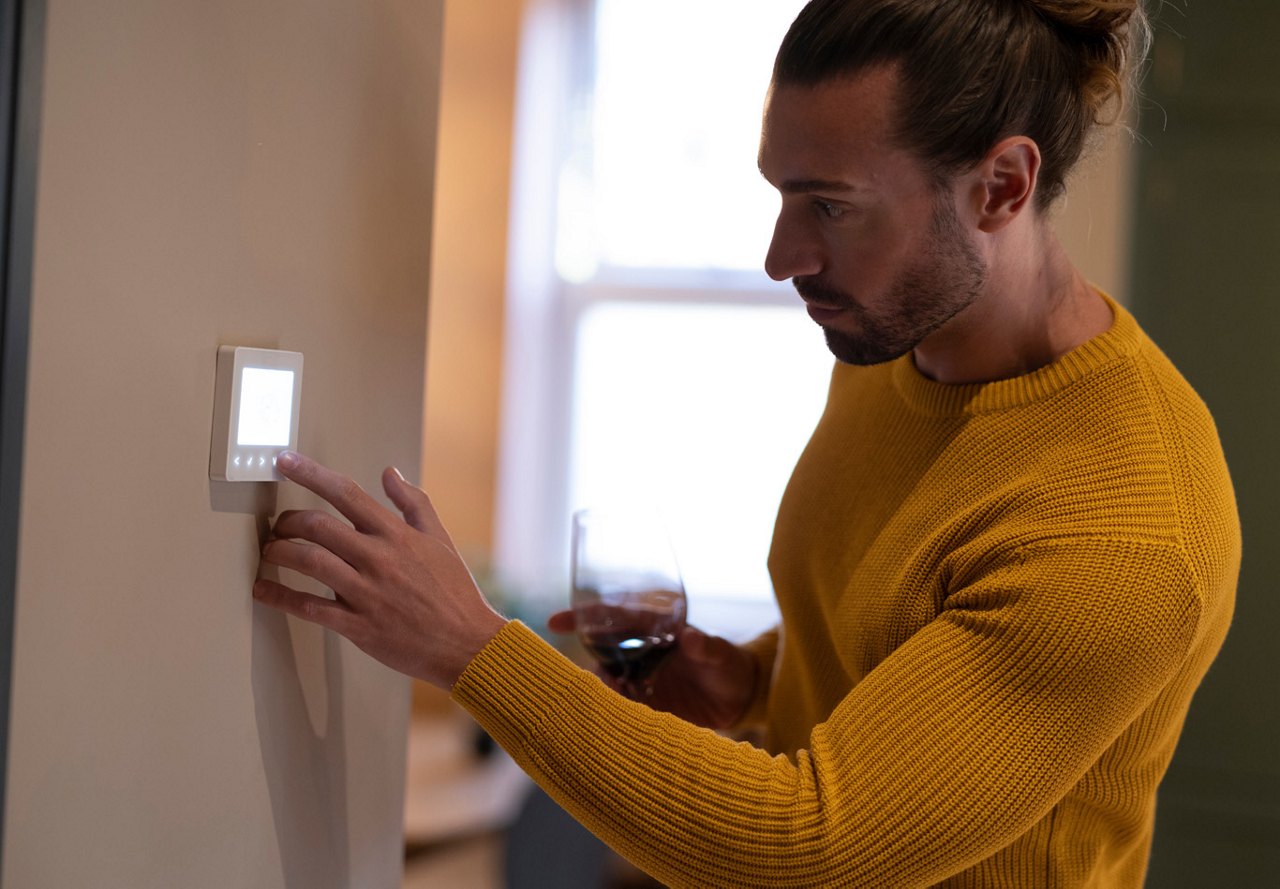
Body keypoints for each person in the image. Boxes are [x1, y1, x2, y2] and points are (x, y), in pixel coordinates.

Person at [252, 1, 1240, 885]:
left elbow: (809, 849)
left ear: (999, 187)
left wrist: (470, 648)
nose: (782, 257)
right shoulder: (890, 347)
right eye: (779, 195)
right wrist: (760, 679)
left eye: (830, 207)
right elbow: (903, 632)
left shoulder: (1124, 525)